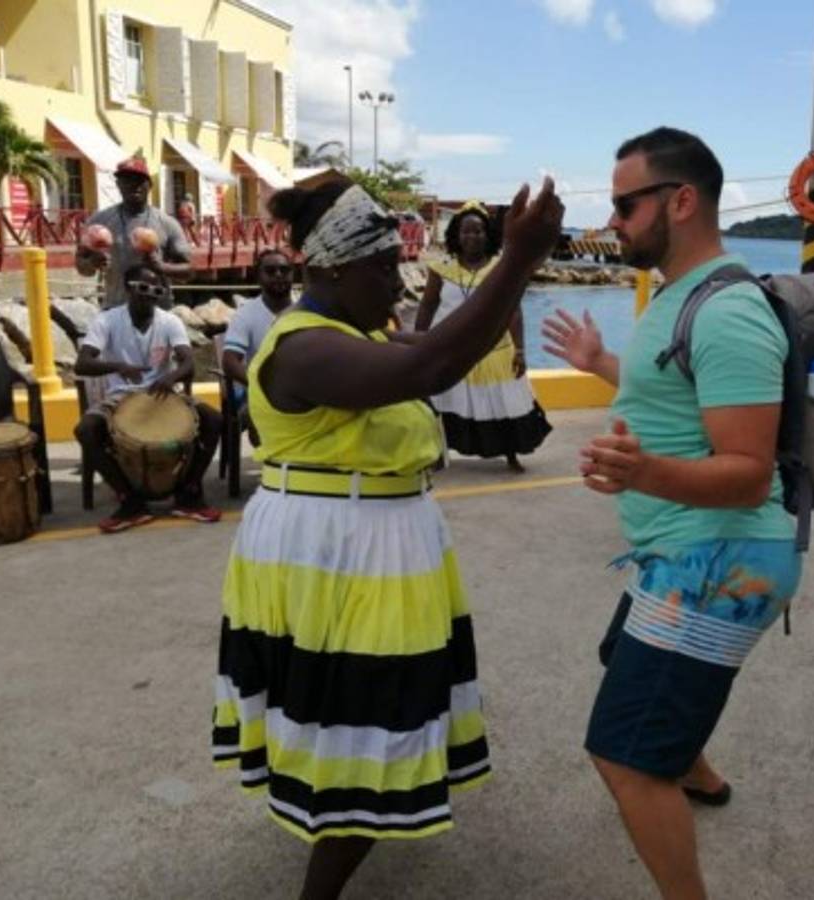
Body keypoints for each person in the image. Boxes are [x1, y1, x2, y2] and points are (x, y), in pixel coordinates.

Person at [211, 178, 563, 900]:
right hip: (338, 548)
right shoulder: (304, 349)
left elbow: (442, 345)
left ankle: (328, 809)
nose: (397, 287)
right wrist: (518, 260)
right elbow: (430, 366)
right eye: (382, 271)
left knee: (352, 708)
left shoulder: (357, 333)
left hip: (376, 545)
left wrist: (504, 277)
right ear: (331, 270)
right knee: (368, 723)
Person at [542, 126, 802, 900]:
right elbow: (677, 386)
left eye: (625, 204)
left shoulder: (728, 312)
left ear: (680, 201)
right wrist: (600, 365)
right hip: (688, 550)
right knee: (620, 655)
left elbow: (750, 475)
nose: (612, 221)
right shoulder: (679, 299)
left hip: (722, 560)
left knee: (622, 755)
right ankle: (694, 770)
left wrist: (646, 471)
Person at [73, 263, 223, 532]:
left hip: (164, 394)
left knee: (213, 419)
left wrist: (171, 377)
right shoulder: (106, 320)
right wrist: (118, 367)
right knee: (86, 430)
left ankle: (189, 492)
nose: (149, 294)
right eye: (142, 287)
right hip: (120, 398)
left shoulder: (170, 321)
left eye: (156, 289)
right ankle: (129, 500)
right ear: (128, 289)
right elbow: (82, 364)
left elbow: (188, 364)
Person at [414, 201, 552, 472]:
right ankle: (438, 454)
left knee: (504, 402)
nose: (472, 237)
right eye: (466, 232)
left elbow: (513, 311)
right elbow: (428, 305)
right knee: (445, 403)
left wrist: (521, 350)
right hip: (451, 351)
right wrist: (418, 341)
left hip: (495, 350)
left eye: (478, 231)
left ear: (488, 235)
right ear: (456, 235)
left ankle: (511, 453)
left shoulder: (501, 269)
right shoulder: (441, 270)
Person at [76, 158, 192, 308]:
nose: (133, 185)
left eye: (139, 180)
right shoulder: (99, 222)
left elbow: (189, 271)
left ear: (149, 185)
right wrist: (91, 263)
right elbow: (81, 266)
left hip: (157, 312)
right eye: (127, 180)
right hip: (115, 309)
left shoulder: (167, 223)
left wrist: (162, 267)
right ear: (118, 185)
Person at [222, 248, 293, 441]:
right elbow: (229, 361)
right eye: (270, 271)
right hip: (260, 389)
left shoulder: (306, 309)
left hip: (300, 386)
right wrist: (260, 384)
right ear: (258, 277)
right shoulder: (246, 313)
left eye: (284, 270)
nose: (278, 275)